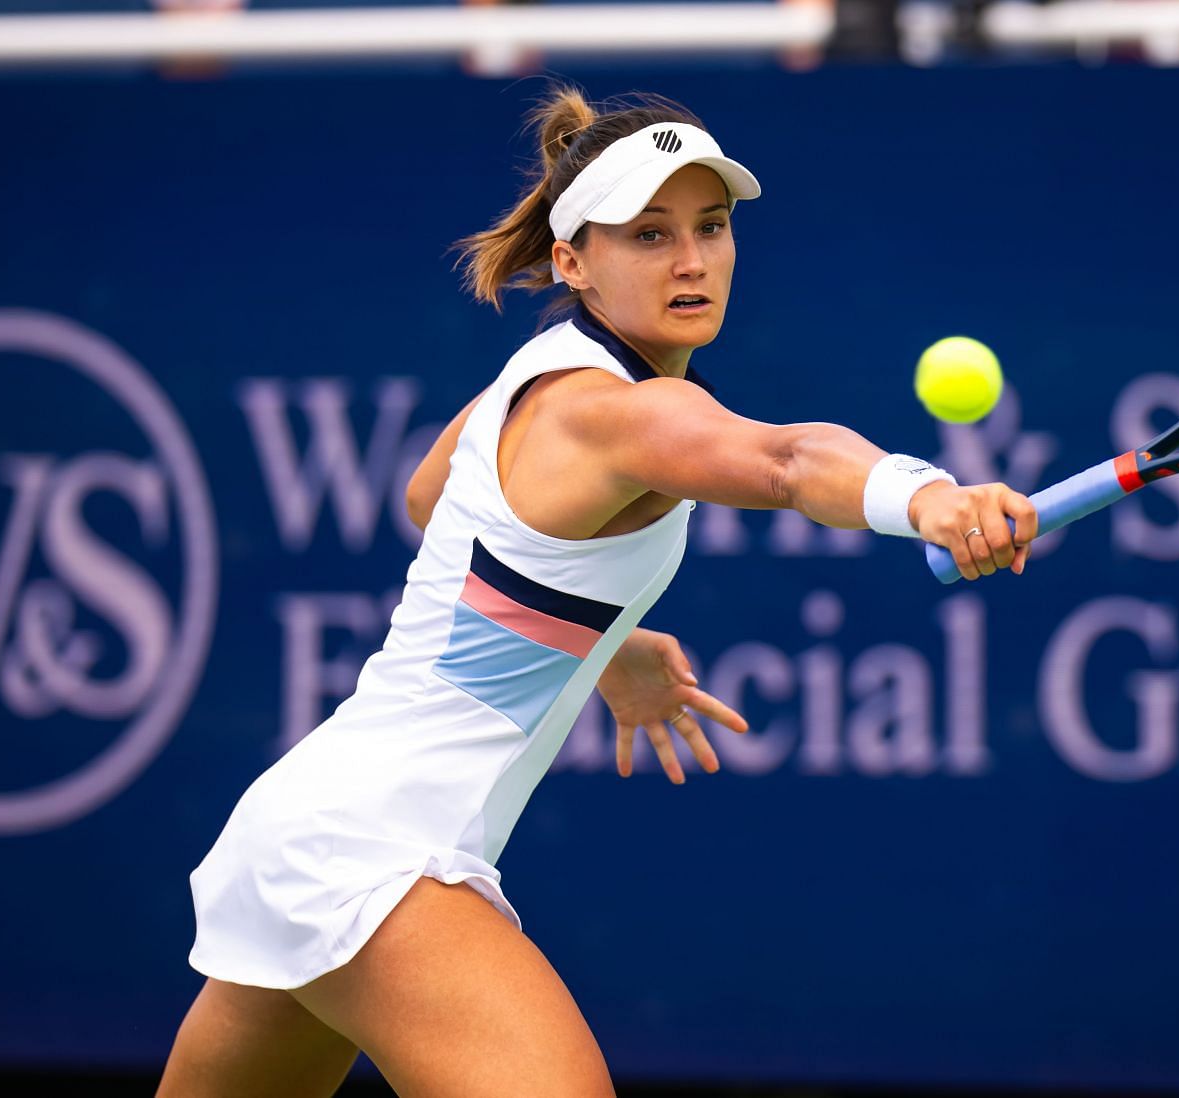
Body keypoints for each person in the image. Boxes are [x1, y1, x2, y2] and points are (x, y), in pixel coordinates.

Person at [157, 84, 1038, 1098]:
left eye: (711, 227)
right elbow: (790, 463)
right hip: (371, 853)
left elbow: (428, 500)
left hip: (308, 826)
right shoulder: (616, 412)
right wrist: (925, 495)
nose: (693, 259)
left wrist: (601, 639)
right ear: (572, 260)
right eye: (649, 234)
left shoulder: (530, 380)